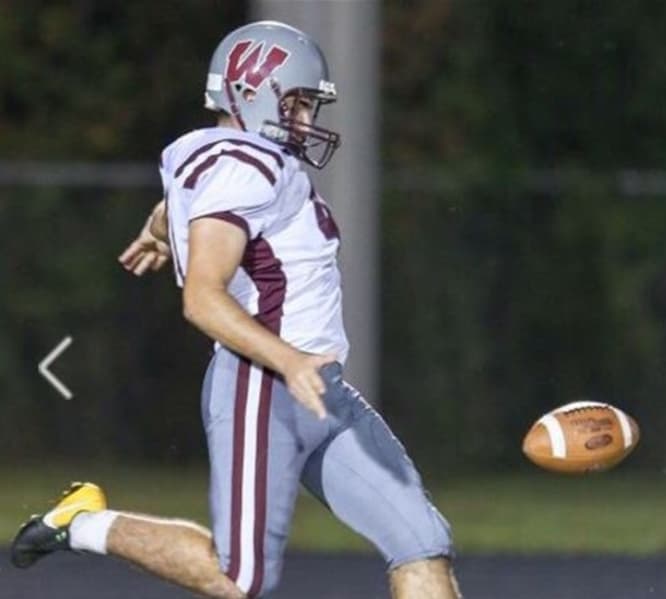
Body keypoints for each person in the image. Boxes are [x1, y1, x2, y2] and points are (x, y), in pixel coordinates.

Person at [10, 21, 462, 599]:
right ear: (254, 93)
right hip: (266, 384)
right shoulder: (244, 164)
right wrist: (289, 361)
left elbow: (199, 204)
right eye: (296, 103)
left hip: (320, 389)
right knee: (238, 576)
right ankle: (82, 523)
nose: (306, 120)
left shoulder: (236, 160)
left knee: (420, 541)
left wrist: (160, 227)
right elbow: (202, 298)